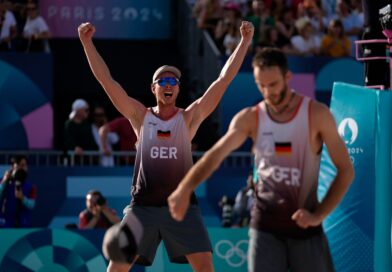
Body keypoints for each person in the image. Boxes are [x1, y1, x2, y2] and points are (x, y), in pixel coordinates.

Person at [78, 19, 254, 272]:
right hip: (143, 208)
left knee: (205, 266)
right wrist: (87, 43)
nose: (169, 85)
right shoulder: (140, 117)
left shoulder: (189, 117)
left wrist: (244, 42)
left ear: (179, 89)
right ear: (153, 88)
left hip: (181, 207)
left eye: (174, 82)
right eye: (163, 82)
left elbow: (223, 80)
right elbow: (107, 81)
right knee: (116, 267)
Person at [168, 47, 355, 272]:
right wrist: (184, 189)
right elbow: (214, 156)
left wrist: (318, 215)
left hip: (305, 230)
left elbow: (346, 170)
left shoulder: (316, 114)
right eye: (261, 85)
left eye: (273, 84)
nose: (268, 92)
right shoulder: (250, 118)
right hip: (265, 228)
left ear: (287, 77)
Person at [0, 155, 37, 228]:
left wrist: (22, 198)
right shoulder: (3, 183)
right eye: (18, 166)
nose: (21, 168)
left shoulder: (31, 187)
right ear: (13, 168)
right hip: (4, 224)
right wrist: (4, 182)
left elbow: (32, 205)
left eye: (24, 165)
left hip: (23, 224)